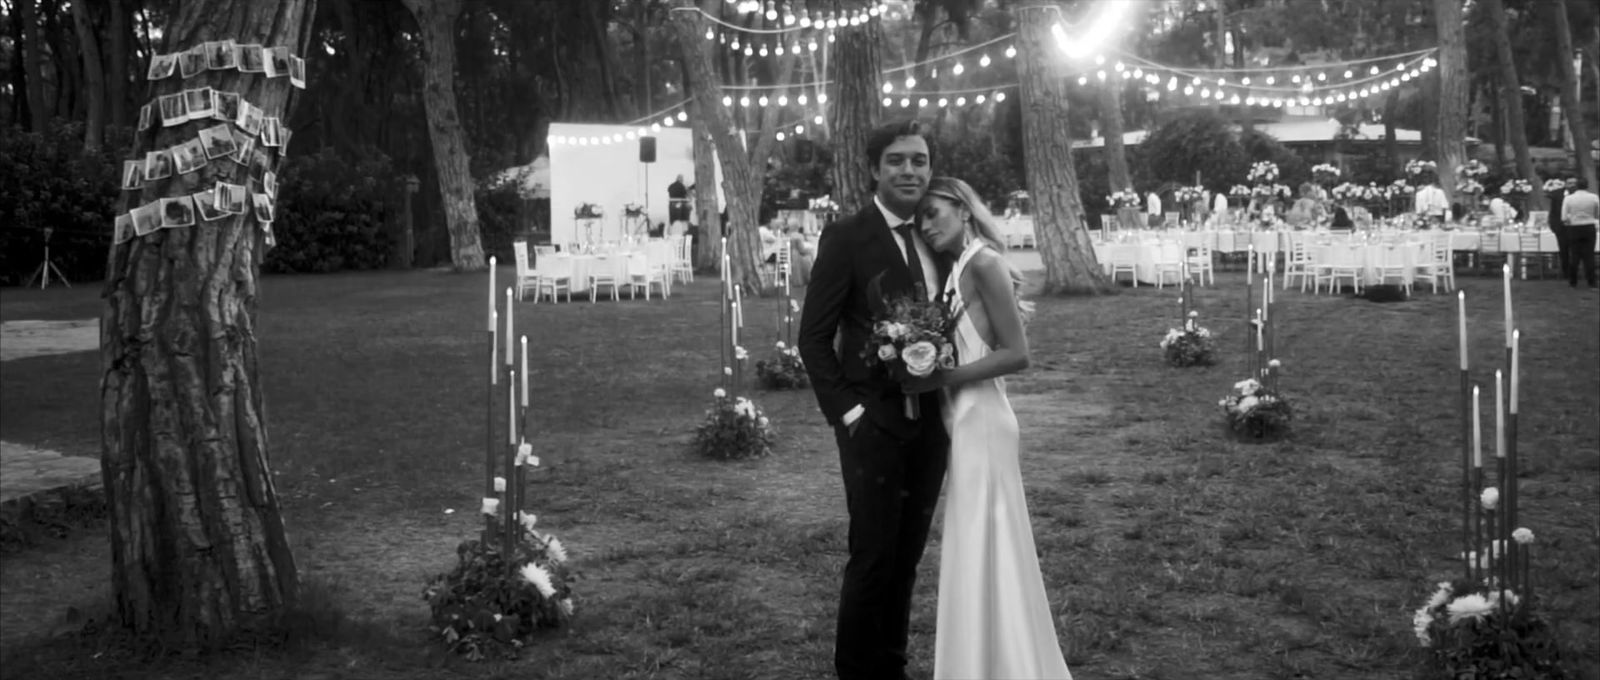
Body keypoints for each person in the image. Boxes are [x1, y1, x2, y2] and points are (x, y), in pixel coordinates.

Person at [903, 177, 1072, 680]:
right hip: (966, 418)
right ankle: (983, 659)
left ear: (963, 209)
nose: (928, 226)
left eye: (934, 213)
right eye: (921, 221)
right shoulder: (957, 267)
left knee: (985, 541)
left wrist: (941, 378)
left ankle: (999, 663)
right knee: (975, 541)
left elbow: (1017, 354)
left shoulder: (983, 263)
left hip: (985, 421)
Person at [797, 119, 948, 680]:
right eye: (897, 160)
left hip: (931, 423)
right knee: (873, 555)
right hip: (873, 423)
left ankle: (892, 665)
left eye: (919, 160)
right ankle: (858, 671)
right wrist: (849, 413)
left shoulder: (937, 235)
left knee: (907, 556)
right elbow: (813, 337)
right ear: (874, 169)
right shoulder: (848, 235)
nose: (910, 170)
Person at [1559, 177, 1598, 289]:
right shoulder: (1593, 197)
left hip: (1574, 227)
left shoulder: (1569, 198)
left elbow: (1564, 217)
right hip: (1589, 227)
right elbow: (1597, 213)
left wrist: (1570, 220)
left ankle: (1573, 281)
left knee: (1574, 255)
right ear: (1587, 185)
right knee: (1589, 255)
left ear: (1576, 186)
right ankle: (1592, 282)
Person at [1549, 178, 1573, 281]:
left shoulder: (1579, 195)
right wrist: (1554, 226)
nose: (1572, 185)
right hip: (1561, 228)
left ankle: (1576, 272)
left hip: (1575, 227)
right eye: (1570, 183)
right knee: (1563, 251)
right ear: (1565, 184)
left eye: (1574, 183)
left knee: (1576, 251)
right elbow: (1553, 212)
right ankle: (1566, 272)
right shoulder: (1557, 194)